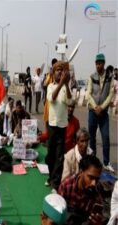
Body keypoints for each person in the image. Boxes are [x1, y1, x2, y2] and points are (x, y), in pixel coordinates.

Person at [45, 61, 72, 190]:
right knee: (50, 153)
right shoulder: (51, 86)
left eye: (62, 70)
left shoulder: (66, 87)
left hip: (62, 126)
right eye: (57, 70)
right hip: (51, 125)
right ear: (54, 72)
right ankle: (50, 177)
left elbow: (71, 101)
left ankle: (55, 183)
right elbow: (52, 99)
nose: (60, 72)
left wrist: (66, 85)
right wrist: (61, 83)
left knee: (59, 155)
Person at [86, 53, 115, 172]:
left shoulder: (110, 77)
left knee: (105, 137)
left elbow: (111, 94)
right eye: (97, 63)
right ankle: (93, 160)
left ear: (104, 63)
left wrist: (101, 107)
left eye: (100, 63)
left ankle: (106, 162)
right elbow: (88, 93)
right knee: (92, 137)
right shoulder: (92, 76)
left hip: (103, 113)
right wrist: (95, 106)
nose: (98, 65)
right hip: (93, 111)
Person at [58, 155, 104, 225]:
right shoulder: (66, 186)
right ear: (81, 172)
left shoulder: (97, 199)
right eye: (91, 177)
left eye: (97, 179)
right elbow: (57, 212)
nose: (94, 183)